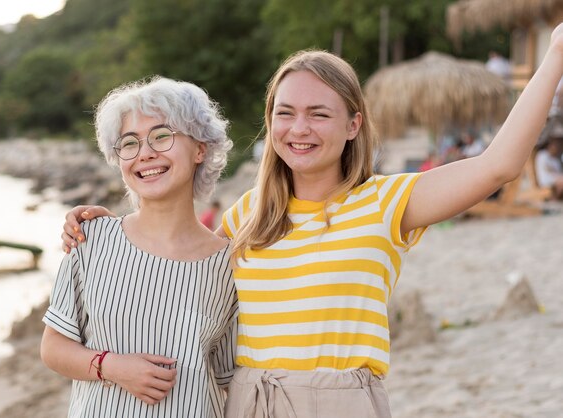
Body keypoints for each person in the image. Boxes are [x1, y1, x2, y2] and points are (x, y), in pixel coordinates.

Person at [60, 24, 563, 417]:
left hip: (339, 401)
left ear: (353, 125)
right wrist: (117, 226)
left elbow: (499, 165)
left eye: (319, 114)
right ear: (270, 119)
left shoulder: (387, 203)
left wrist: (555, 57)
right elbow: (181, 268)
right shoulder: (250, 213)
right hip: (246, 400)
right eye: (286, 112)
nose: (299, 129)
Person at [40, 76, 239, 417]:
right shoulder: (93, 239)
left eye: (162, 136)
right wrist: (111, 366)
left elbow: (227, 380)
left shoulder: (229, 264)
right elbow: (53, 348)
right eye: (129, 143)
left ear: (200, 149)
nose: (145, 153)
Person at [535, 134, 563, 199]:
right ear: (550, 146)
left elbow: (557, 172)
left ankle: (556, 198)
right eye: (555, 146)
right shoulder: (542, 155)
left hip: (554, 179)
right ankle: (554, 198)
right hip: (544, 179)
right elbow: (548, 169)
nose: (556, 148)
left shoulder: (555, 160)